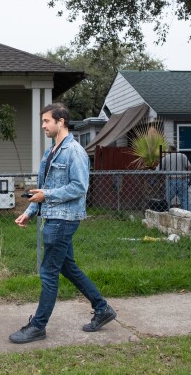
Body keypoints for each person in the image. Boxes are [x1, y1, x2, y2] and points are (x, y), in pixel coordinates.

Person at [9, 103, 116, 344]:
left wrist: (46, 195)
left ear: (61, 122)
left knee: (48, 272)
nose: (43, 126)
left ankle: (38, 326)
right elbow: (42, 188)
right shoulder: (51, 151)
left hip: (64, 219)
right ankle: (102, 308)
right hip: (53, 216)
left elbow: (79, 187)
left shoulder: (74, 151)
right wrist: (30, 211)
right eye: (43, 122)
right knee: (67, 267)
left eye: (47, 121)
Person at [159, 144, 191, 211]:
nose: (167, 151)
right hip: (182, 180)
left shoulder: (166, 158)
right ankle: (188, 215)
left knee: (167, 199)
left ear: (170, 150)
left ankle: (166, 213)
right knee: (185, 199)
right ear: (175, 150)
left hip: (171, 180)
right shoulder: (183, 156)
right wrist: (190, 178)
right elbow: (189, 167)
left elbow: (158, 170)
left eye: (168, 150)